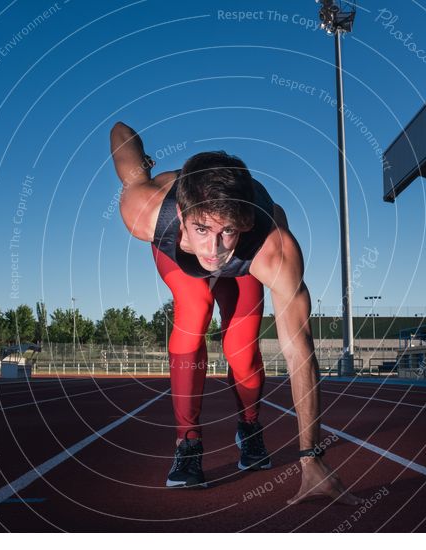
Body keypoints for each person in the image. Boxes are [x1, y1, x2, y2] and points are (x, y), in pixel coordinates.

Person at [110, 122, 360, 505]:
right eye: (203, 229)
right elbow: (120, 132)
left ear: (243, 222)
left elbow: (299, 351)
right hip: (178, 254)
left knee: (242, 350)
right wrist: (138, 164)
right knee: (193, 314)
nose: (215, 250)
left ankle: (249, 426)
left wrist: (311, 456)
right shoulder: (144, 210)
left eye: (227, 231)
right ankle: (188, 444)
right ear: (180, 213)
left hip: (248, 264)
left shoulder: (272, 247)